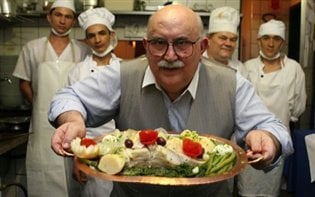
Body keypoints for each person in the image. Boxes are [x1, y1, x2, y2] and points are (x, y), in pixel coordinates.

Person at [48, 5, 293, 197]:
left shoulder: (230, 83)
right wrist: (73, 119)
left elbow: (275, 129)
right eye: (158, 43)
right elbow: (68, 96)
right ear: (146, 45)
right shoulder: (123, 75)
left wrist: (267, 138)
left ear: (202, 46)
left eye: (183, 43)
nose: (170, 55)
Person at [12, 0, 90, 196]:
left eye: (68, 16)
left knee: (73, 177)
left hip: (73, 121)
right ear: (49, 17)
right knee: (43, 173)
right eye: (58, 15)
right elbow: (24, 84)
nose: (62, 21)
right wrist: (41, 107)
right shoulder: (32, 48)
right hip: (41, 124)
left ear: (73, 22)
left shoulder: (83, 50)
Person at [237, 19, 307, 197]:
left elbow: (299, 106)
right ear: (259, 40)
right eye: (266, 38)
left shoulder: (294, 69)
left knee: (271, 189)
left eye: (276, 38)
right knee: (247, 189)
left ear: (282, 42)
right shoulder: (248, 67)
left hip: (276, 140)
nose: (270, 43)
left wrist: (283, 122)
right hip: (249, 142)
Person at [69, 7, 121, 197]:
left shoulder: (124, 69)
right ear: (86, 40)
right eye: (91, 36)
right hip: (88, 148)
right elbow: (74, 118)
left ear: (111, 35)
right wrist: (77, 158)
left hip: (120, 147)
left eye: (102, 33)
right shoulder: (78, 72)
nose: (97, 40)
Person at [203, 6, 246, 75]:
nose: (228, 43)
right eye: (223, 38)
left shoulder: (240, 69)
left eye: (233, 39)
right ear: (208, 39)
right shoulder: (196, 65)